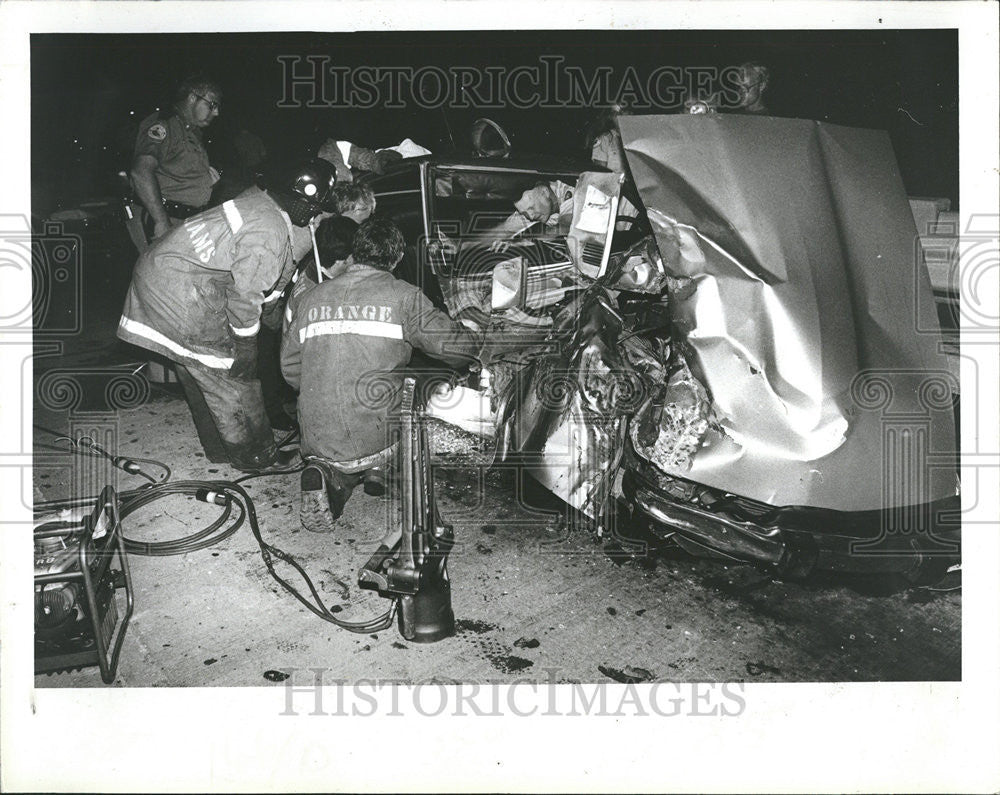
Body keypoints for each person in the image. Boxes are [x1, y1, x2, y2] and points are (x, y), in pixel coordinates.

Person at [118, 158, 339, 472]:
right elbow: (245, 297)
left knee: (197, 368)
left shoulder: (259, 202)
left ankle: (221, 450)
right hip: (179, 288)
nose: (315, 216)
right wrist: (246, 346)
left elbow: (266, 281)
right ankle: (257, 456)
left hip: (161, 271)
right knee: (234, 378)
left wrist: (272, 312)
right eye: (315, 209)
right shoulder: (273, 232)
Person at [281, 217, 481, 533]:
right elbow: (453, 349)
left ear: (355, 253)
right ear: (398, 258)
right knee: (415, 390)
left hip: (316, 433)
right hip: (374, 429)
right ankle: (381, 467)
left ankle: (329, 473)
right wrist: (474, 336)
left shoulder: (311, 297)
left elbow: (290, 368)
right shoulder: (404, 296)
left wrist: (317, 389)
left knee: (351, 408)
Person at [130, 73, 223, 244]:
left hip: (186, 221)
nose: (216, 112)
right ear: (193, 97)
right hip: (164, 218)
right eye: (212, 105)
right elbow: (141, 171)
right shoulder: (164, 125)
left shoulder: (193, 132)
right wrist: (161, 221)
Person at [487, 179, 576, 252]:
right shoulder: (537, 205)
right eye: (524, 213)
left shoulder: (572, 195)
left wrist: (518, 242)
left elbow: (561, 229)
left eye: (531, 208)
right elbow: (501, 230)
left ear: (544, 192)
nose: (531, 216)